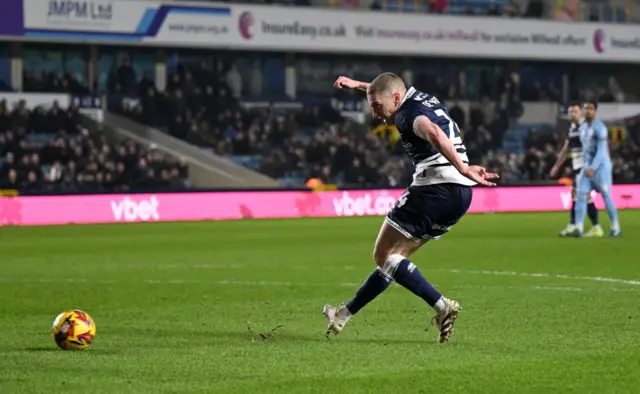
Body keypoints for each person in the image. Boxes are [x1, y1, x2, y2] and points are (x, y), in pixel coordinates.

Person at [323, 73, 498, 343]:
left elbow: (434, 132)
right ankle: (343, 315)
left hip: (435, 188)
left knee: (383, 255)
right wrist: (357, 85)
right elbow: (381, 88)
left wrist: (463, 167)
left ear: (395, 99)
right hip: (460, 195)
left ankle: (442, 307)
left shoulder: (406, 116)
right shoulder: (421, 97)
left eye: (377, 106)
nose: (374, 113)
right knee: (395, 260)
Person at [550, 102, 602, 237]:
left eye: (575, 111)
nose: (572, 114)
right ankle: (583, 226)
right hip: (577, 166)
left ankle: (578, 226)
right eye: (570, 112)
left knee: (580, 194)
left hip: (585, 166)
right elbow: (566, 149)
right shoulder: (572, 129)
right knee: (580, 195)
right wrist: (556, 166)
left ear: (580, 113)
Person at [570, 101, 621, 237]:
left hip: (600, 169)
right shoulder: (582, 128)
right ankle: (579, 228)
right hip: (586, 168)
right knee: (581, 195)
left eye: (591, 109)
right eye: (586, 108)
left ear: (595, 111)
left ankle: (615, 226)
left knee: (606, 195)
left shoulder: (600, 128)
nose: (588, 111)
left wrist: (593, 167)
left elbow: (601, 150)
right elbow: (584, 150)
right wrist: (585, 166)